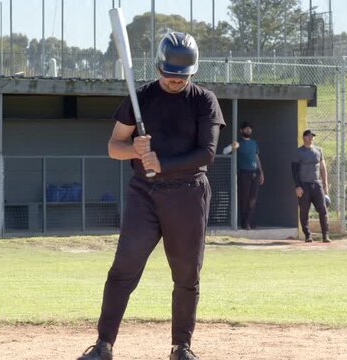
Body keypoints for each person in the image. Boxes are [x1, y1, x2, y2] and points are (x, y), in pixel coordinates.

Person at [78, 32, 225, 360]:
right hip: (144, 194)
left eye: (182, 76)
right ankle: (103, 345)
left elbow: (208, 154)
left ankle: (181, 347)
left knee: (187, 273)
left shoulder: (204, 100)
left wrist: (162, 161)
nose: (175, 81)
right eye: (170, 75)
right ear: (159, 67)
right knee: (124, 267)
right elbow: (114, 147)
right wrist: (135, 149)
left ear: (193, 72)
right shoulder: (139, 97)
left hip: (189, 194)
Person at [222, 122, 264, 230]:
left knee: (253, 198)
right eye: (246, 129)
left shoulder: (254, 143)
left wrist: (261, 172)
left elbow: (257, 158)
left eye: (250, 129)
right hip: (243, 173)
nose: (248, 130)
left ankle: (248, 221)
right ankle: (245, 223)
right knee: (244, 198)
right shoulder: (238, 143)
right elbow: (224, 152)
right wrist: (232, 146)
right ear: (241, 131)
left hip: (255, 173)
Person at [291, 129, 331, 243]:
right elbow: (294, 170)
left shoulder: (318, 151)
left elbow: (323, 168)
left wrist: (325, 185)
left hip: (316, 184)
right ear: (304, 138)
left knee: (323, 210)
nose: (311, 138)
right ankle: (308, 235)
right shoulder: (299, 152)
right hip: (304, 185)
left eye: (312, 136)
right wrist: (297, 186)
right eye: (309, 136)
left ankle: (325, 235)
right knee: (304, 211)